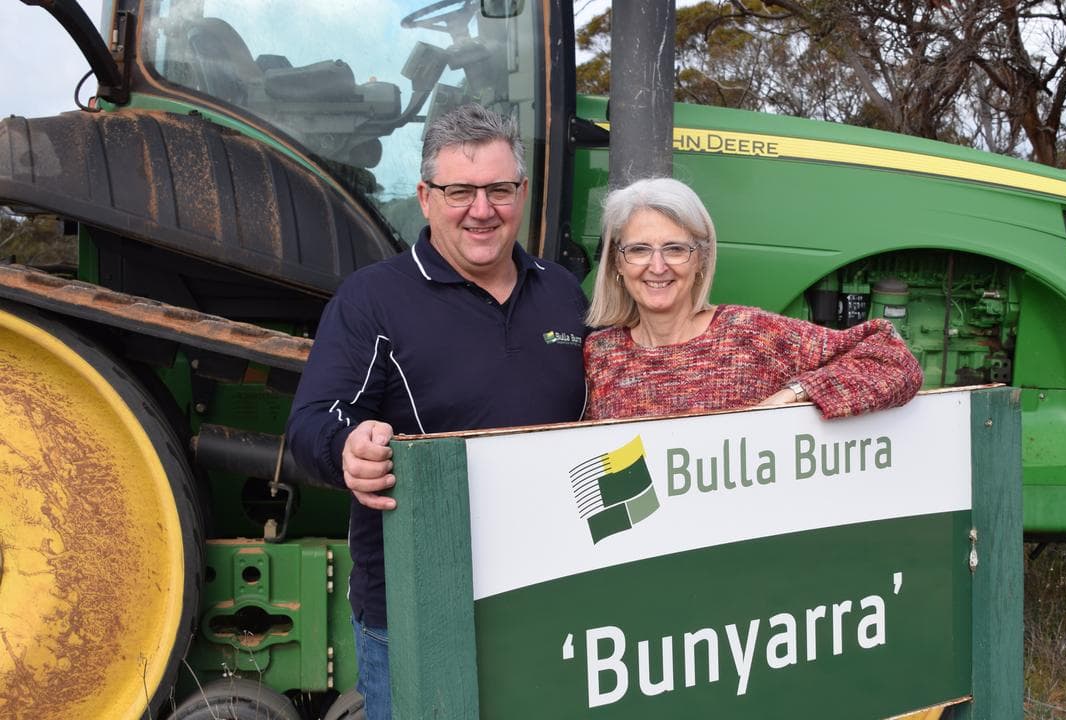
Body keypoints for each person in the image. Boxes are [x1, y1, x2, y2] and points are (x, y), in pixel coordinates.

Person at [286, 105, 587, 719]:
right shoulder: (373, 299)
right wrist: (349, 448)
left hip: (547, 595)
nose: (482, 210)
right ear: (425, 197)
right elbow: (312, 419)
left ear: (522, 194)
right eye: (460, 191)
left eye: (499, 189)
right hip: (420, 613)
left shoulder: (562, 292)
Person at [584, 177, 922, 420]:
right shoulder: (599, 355)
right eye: (639, 249)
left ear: (700, 259)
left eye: (675, 249)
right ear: (617, 262)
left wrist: (794, 394)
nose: (657, 266)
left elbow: (892, 358)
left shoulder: (749, 335)